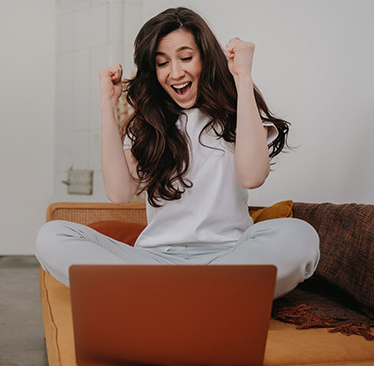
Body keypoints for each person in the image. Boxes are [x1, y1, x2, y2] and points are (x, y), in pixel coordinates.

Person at [36, 7, 319, 298]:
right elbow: (119, 193)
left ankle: (165, 297)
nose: (176, 72)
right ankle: (207, 297)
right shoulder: (149, 124)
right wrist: (107, 105)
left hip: (228, 258)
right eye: (162, 63)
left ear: (205, 58)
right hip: (155, 262)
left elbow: (252, 176)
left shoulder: (239, 111)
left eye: (186, 58)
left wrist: (243, 77)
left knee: (300, 236)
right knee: (52, 236)